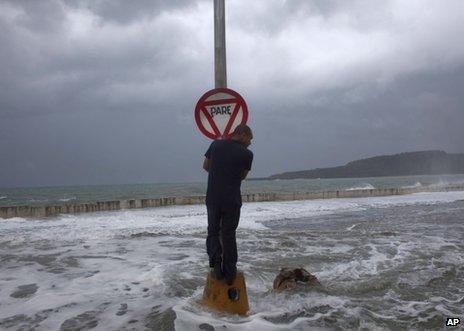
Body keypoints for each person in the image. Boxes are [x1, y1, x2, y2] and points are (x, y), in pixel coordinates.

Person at [202, 124, 253, 285]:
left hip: (214, 197)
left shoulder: (216, 144)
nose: (250, 143)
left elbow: (206, 166)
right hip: (232, 199)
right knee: (229, 234)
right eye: (250, 139)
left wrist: (219, 171)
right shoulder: (247, 154)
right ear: (243, 135)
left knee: (213, 231)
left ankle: (216, 266)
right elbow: (242, 176)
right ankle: (230, 272)